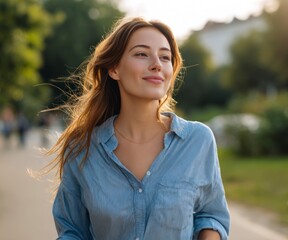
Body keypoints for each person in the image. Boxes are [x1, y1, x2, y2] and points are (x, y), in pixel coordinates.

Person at [47, 17, 230, 240]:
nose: (157, 64)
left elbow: (211, 215)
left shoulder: (198, 140)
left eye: (165, 57)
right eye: (142, 54)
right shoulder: (81, 148)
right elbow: (71, 231)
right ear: (114, 69)